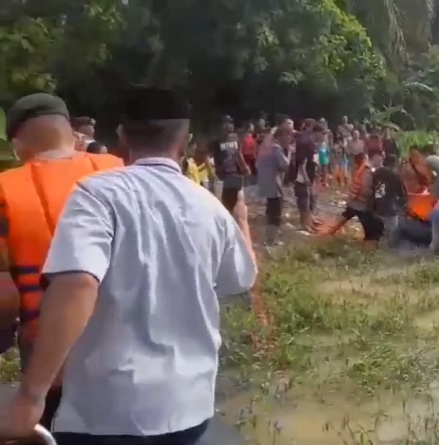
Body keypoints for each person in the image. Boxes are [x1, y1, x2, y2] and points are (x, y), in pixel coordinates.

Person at [0, 86, 257, 445]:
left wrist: (30, 395)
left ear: (120, 137)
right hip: (189, 407)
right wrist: (240, 218)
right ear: (185, 143)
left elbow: (75, 286)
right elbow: (240, 279)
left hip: (105, 408)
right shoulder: (209, 206)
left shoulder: (93, 193)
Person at [0, 93, 123, 431]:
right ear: (72, 134)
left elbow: (4, 296)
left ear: (18, 145)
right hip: (133, 354)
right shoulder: (120, 170)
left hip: (51, 359)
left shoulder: (6, 189)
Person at [257, 127, 292, 245]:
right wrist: (290, 152)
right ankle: (272, 240)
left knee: (270, 209)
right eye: (288, 136)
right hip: (274, 183)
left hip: (265, 182)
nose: (289, 139)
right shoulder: (276, 148)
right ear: (280, 136)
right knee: (276, 212)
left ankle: (269, 237)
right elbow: (285, 164)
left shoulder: (265, 147)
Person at [211, 115, 249, 212]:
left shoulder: (235, 137)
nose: (230, 125)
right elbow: (210, 158)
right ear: (221, 125)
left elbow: (238, 152)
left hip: (235, 173)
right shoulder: (216, 140)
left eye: (231, 122)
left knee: (237, 201)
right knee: (224, 203)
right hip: (222, 176)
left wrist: (244, 166)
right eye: (227, 123)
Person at [287, 119, 319, 230]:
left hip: (307, 174)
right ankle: (304, 224)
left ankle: (308, 222)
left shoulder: (308, 140)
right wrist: (305, 177)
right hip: (301, 176)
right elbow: (301, 163)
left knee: (309, 198)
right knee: (304, 199)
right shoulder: (305, 141)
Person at [372, 154, 407, 247]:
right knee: (393, 231)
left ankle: (377, 249)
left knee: (378, 232)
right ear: (394, 164)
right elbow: (402, 195)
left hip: (375, 207)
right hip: (388, 208)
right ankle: (388, 250)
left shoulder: (377, 172)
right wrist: (400, 207)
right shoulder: (395, 176)